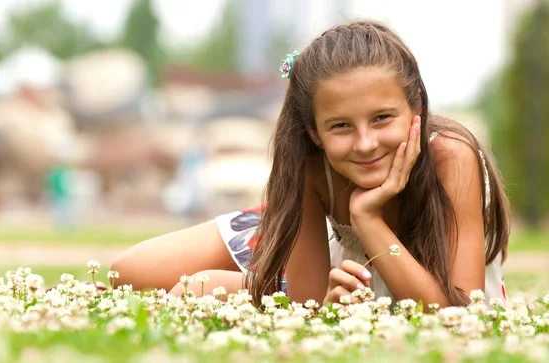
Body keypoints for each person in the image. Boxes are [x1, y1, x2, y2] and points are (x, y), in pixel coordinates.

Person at [111, 20, 510, 308]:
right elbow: (308, 304)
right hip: (311, 236)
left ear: (416, 108)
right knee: (125, 274)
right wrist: (324, 300)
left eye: (382, 118)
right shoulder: (313, 167)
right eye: (340, 126)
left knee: (194, 289)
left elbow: (459, 313)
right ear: (314, 133)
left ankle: (258, 282)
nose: (366, 143)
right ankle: (269, 271)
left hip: (415, 279)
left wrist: (366, 217)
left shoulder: (451, 157)